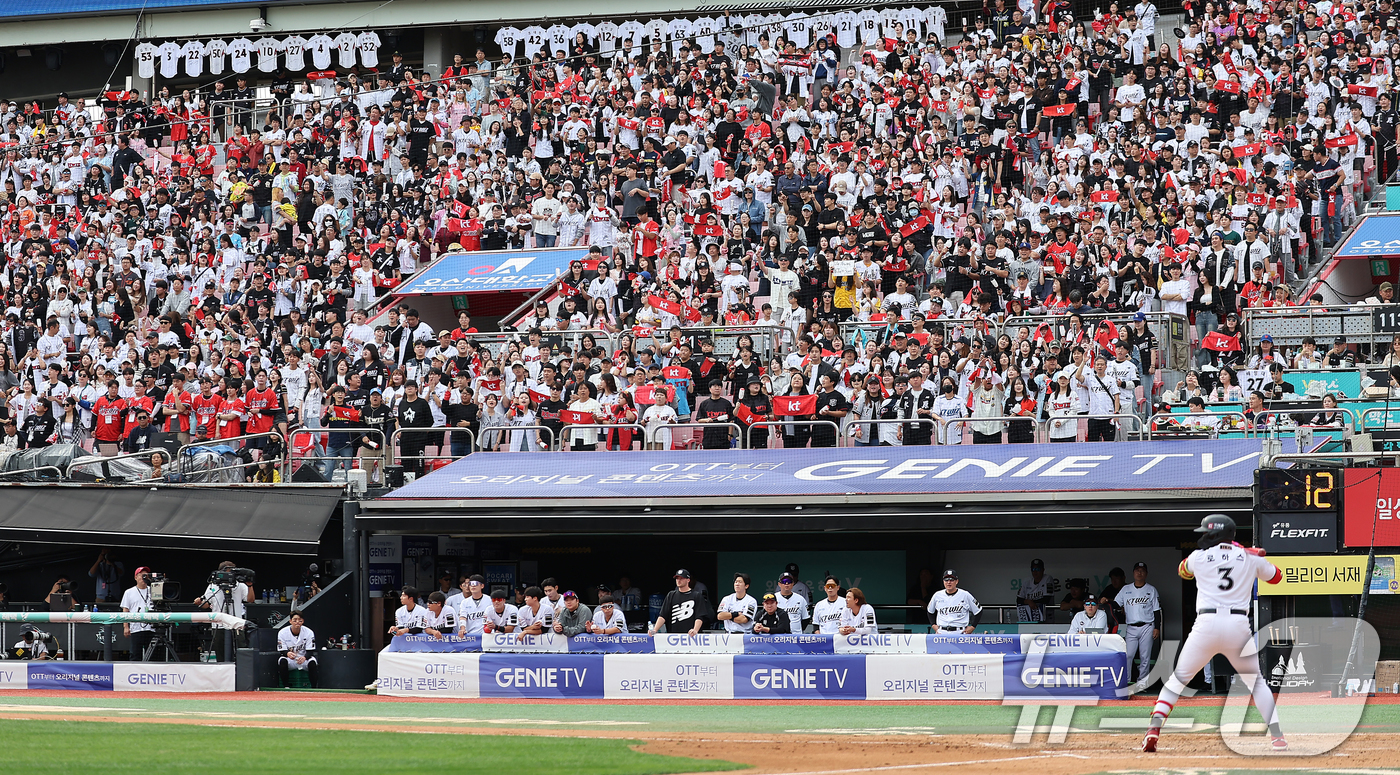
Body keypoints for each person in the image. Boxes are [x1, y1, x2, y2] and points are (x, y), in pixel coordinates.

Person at [1143, 515, 1286, 752]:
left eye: (1206, 533)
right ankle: (1277, 737)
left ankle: (1154, 729)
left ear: (1216, 535)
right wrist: (1248, 555)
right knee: (1257, 683)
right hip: (1237, 625)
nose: (1202, 537)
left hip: (1206, 625)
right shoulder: (1249, 557)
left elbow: (1183, 571)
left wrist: (1232, 553)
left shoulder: (1197, 557)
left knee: (1178, 679)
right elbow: (1277, 577)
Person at [192, 560, 255, 662]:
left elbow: (250, 600)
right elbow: (207, 604)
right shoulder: (213, 586)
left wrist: (250, 585)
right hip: (218, 625)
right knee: (220, 653)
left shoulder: (240, 585)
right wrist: (199, 602)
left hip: (236, 624)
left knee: (241, 652)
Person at [1116, 562, 1162, 689]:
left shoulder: (1151, 589)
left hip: (1147, 626)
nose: (1139, 573)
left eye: (1142, 570)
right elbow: (1116, 604)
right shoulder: (1126, 589)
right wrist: (1105, 601)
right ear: (1133, 573)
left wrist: (1157, 627)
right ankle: (1126, 681)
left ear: (1146, 573)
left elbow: (1157, 610)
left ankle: (1142, 684)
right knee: (1128, 655)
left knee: (1144, 656)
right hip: (1131, 627)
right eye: (1137, 570)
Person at [649, 569, 713, 636]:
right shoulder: (671, 595)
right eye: (677, 578)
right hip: (674, 637)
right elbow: (663, 616)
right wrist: (654, 630)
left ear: (688, 580)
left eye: (681, 578)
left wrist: (695, 630)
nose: (679, 581)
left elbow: (700, 617)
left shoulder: (696, 596)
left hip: (691, 636)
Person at [927, 569, 982, 634]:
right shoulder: (937, 595)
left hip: (960, 631)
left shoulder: (965, 595)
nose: (949, 582)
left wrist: (972, 627)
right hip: (942, 631)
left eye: (951, 580)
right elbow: (930, 611)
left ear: (957, 581)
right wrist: (933, 625)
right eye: (946, 580)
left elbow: (978, 611)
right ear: (943, 581)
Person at [120, 566, 156, 660]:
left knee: (153, 655)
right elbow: (125, 610)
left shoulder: (154, 590)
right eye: (142, 575)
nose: (144, 578)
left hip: (152, 628)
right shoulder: (129, 592)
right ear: (136, 577)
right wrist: (126, 627)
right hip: (136, 628)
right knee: (135, 654)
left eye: (146, 576)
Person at [276, 611, 318, 687]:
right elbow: (282, 650)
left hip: (304, 658)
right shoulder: (282, 632)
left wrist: (305, 657)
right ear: (290, 621)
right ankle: (286, 686)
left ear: (303, 621)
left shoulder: (309, 632)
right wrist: (288, 653)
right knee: (282, 661)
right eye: (295, 620)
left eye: (300, 620)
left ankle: (314, 688)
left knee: (312, 662)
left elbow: (310, 650)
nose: (297, 622)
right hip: (291, 659)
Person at [1016, 558, 1057, 623]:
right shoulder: (1027, 581)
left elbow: (1046, 599)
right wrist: (1028, 601)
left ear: (1043, 570)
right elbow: (1018, 600)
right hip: (1029, 618)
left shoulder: (1048, 579)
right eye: (1033, 569)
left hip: (1046, 617)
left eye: (1038, 569)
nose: (1035, 572)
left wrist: (1030, 602)